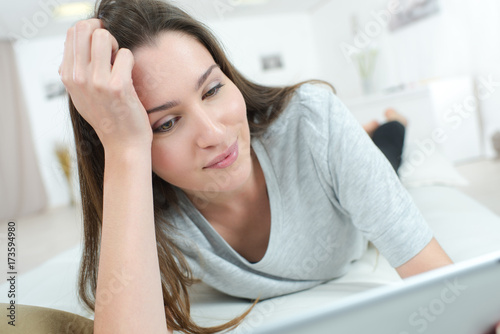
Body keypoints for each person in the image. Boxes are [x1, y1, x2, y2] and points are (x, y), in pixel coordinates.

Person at [59, 0, 454, 333]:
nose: (214, 133)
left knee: (387, 150)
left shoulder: (314, 120)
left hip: (338, 169)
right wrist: (125, 148)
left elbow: (444, 288)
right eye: (166, 123)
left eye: (212, 89)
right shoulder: (146, 209)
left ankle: (389, 123)